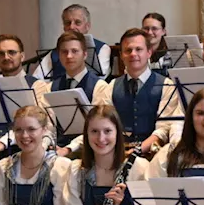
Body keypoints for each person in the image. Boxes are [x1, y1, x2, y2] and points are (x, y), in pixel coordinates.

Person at [64, 28, 183, 158]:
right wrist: (69, 149)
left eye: (138, 49)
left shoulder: (167, 85)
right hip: (117, 155)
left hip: (153, 156)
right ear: (121, 55)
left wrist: (138, 150)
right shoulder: (110, 87)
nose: (133, 54)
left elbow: (164, 129)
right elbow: (99, 124)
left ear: (149, 52)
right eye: (128, 50)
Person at [0, 34, 51, 164]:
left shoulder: (37, 86)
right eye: (0, 53)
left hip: (19, 148)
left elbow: (41, 125)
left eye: (12, 52)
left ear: (22, 56)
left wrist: (1, 144)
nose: (6, 57)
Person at [48, 31, 105, 151]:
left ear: (85, 54)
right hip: (57, 149)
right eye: (64, 52)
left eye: (74, 51)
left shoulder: (99, 86)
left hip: (88, 151)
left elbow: (98, 127)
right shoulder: (51, 86)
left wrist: (69, 149)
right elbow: (49, 124)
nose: (69, 56)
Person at [37, 4, 111, 80]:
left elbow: (100, 79)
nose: (71, 27)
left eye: (77, 22)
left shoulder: (102, 48)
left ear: (87, 26)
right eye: (68, 23)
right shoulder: (55, 53)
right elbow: (37, 78)